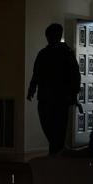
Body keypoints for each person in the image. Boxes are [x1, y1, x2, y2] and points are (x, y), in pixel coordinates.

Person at [27, 23, 81, 155]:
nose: (50, 38)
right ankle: (56, 151)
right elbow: (36, 73)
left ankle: (56, 153)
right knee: (49, 126)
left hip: (60, 99)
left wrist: (73, 94)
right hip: (46, 98)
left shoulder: (66, 53)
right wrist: (32, 89)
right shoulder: (43, 53)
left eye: (52, 35)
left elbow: (74, 75)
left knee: (58, 128)